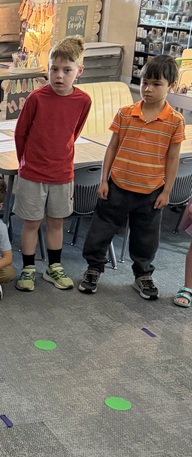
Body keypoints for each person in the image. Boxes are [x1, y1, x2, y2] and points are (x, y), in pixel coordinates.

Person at [78, 54, 184, 299]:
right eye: (145, 82)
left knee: (146, 238)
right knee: (100, 231)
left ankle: (143, 275)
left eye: (156, 84)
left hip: (151, 191)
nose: (147, 89)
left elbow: (172, 158)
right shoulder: (125, 113)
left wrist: (167, 191)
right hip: (118, 186)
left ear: (171, 87)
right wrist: (104, 180)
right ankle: (93, 269)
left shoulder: (175, 122)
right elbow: (112, 148)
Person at [13, 36, 92, 293]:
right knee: (31, 223)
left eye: (66, 70)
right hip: (33, 172)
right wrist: (25, 163)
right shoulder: (37, 98)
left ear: (78, 72)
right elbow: (21, 134)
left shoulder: (83, 101)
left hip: (62, 174)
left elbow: (74, 132)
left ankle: (54, 267)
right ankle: (27, 268)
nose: (59, 75)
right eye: (53, 69)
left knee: (57, 222)